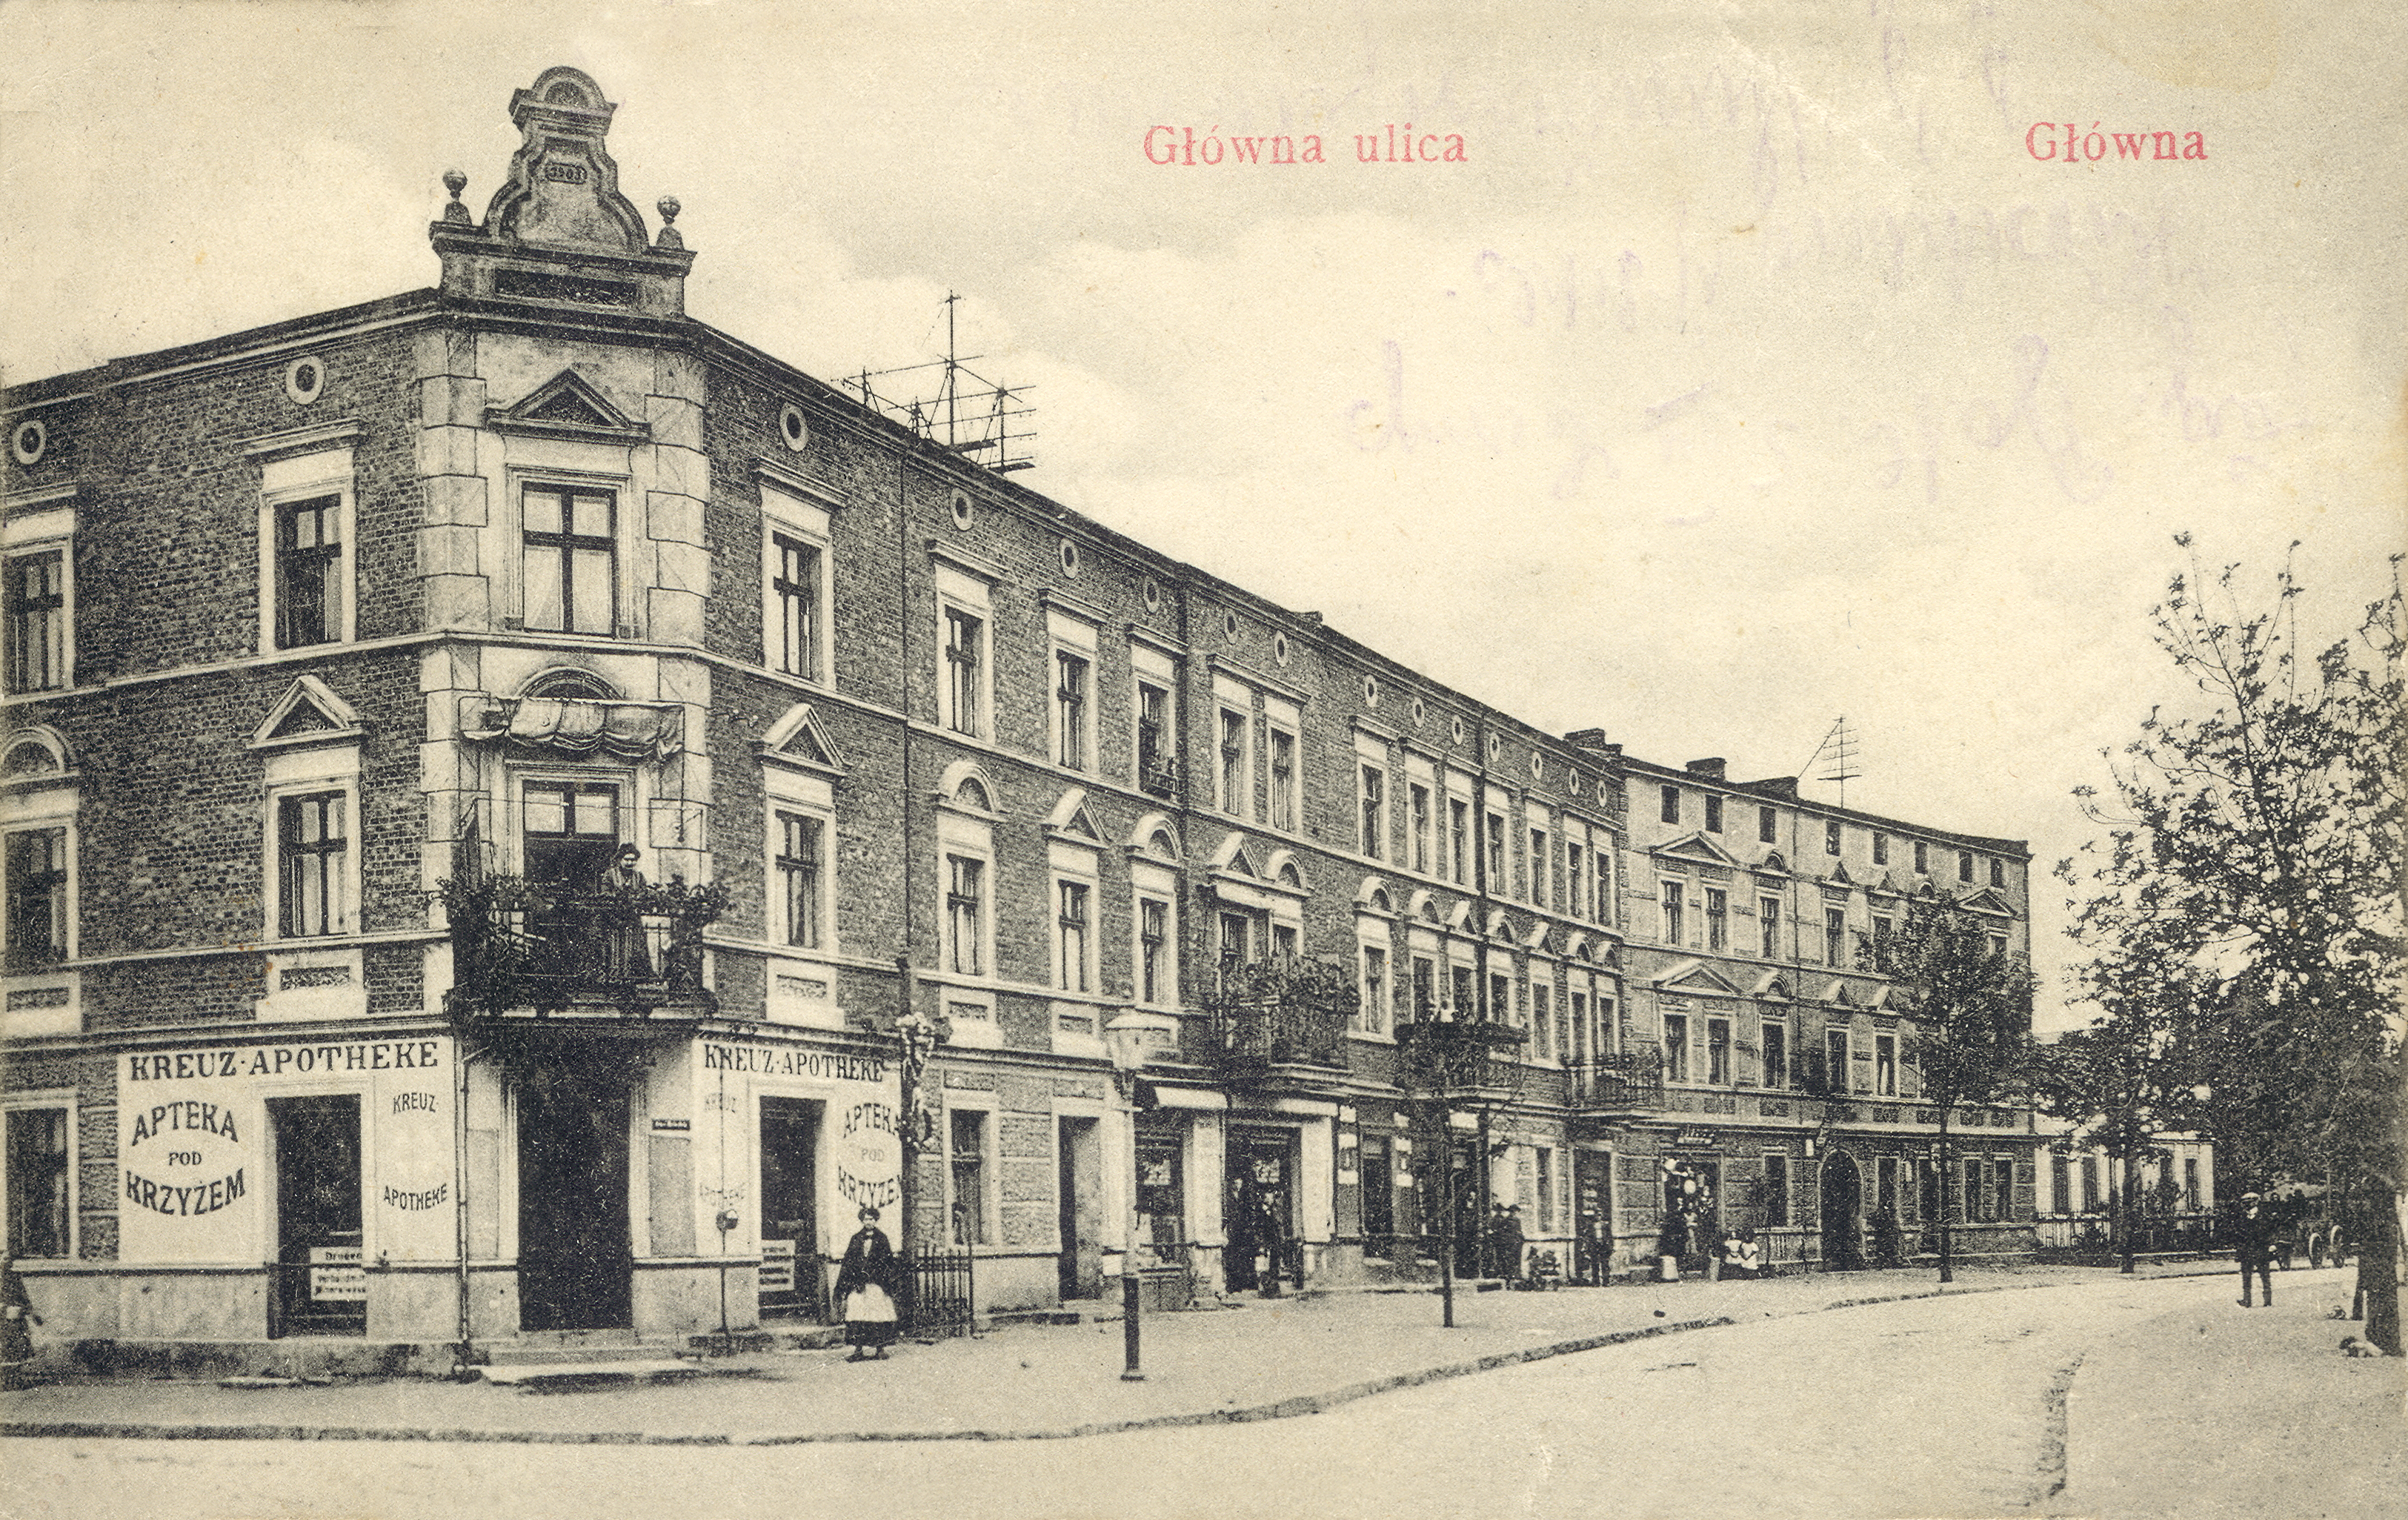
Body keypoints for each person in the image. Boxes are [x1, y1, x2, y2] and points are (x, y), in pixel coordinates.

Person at [835, 1205, 901, 1360]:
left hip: (876, 1283)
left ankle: (880, 1349)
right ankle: (858, 1350)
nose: (868, 1222)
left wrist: (881, 1277)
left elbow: (888, 1262)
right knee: (858, 1314)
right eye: (866, 1219)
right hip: (859, 1284)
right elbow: (849, 1261)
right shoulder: (856, 1238)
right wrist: (852, 1279)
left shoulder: (882, 1238)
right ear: (862, 1221)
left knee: (877, 1315)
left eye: (871, 1219)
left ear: (875, 1220)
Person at [591, 844, 653, 983]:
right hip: (614, 919)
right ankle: (613, 978)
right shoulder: (610, 874)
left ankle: (631, 978)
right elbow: (605, 893)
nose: (630, 863)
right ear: (620, 859)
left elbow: (644, 893)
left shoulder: (638, 876)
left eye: (633, 860)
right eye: (627, 859)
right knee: (613, 948)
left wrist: (636, 898)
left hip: (632, 919)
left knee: (632, 948)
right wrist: (616, 897)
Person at [1, 1254, 39, 1390]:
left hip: (14, 1318)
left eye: (8, 1259)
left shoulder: (14, 1278)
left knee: (17, 1347)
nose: (6, 1262)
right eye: (3, 1258)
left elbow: (23, 1296)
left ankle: (14, 1379)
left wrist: (31, 1312)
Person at [2235, 1192, 2274, 1308]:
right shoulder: (2242, 1217)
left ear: (2255, 1203)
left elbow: (2269, 1233)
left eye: (2248, 1202)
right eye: (2244, 1203)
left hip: (2260, 1250)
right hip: (2246, 1251)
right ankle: (2247, 1300)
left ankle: (2267, 1300)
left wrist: (2270, 1245)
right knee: (2246, 1277)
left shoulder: (2264, 1217)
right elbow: (2239, 1234)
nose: (2246, 1205)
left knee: (2265, 1275)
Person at [1494, 1204, 1527, 1285]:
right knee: (1510, 1259)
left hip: (1517, 1242)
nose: (1514, 1213)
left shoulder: (1517, 1221)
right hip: (1510, 1242)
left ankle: (1516, 1275)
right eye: (1512, 1211)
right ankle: (1509, 1277)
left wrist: (1521, 1239)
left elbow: (1519, 1231)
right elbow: (1503, 1232)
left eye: (1515, 1211)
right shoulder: (1505, 1221)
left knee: (1517, 1259)